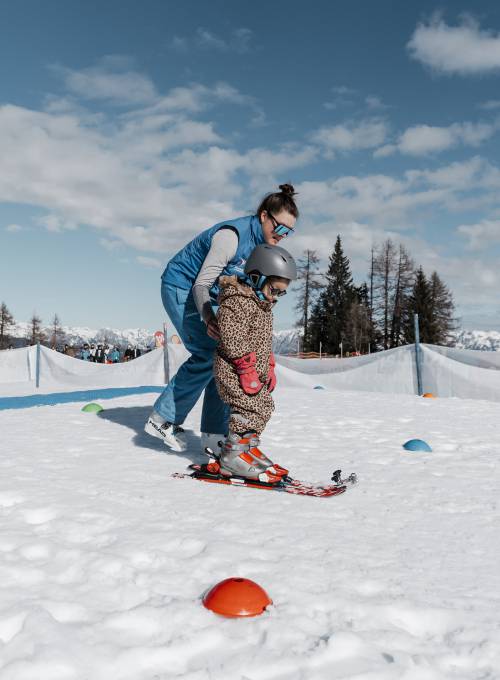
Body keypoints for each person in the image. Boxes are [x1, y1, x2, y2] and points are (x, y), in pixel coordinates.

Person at [144, 184, 299, 453]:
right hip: (183, 286)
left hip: (210, 294)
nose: (282, 235)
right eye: (279, 227)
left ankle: (214, 433)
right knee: (206, 353)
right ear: (264, 216)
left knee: (223, 355)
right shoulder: (231, 236)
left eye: (289, 231)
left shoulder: (261, 248)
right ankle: (162, 418)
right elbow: (201, 284)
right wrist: (207, 316)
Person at [208, 244, 296, 482]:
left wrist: (269, 366)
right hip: (232, 369)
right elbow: (232, 336)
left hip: (252, 371)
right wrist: (246, 369)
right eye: (274, 289)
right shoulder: (236, 300)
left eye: (281, 293)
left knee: (264, 406)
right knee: (248, 408)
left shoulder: (263, 305)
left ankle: (246, 449)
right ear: (256, 277)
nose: (276, 297)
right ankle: (232, 456)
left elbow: (263, 341)